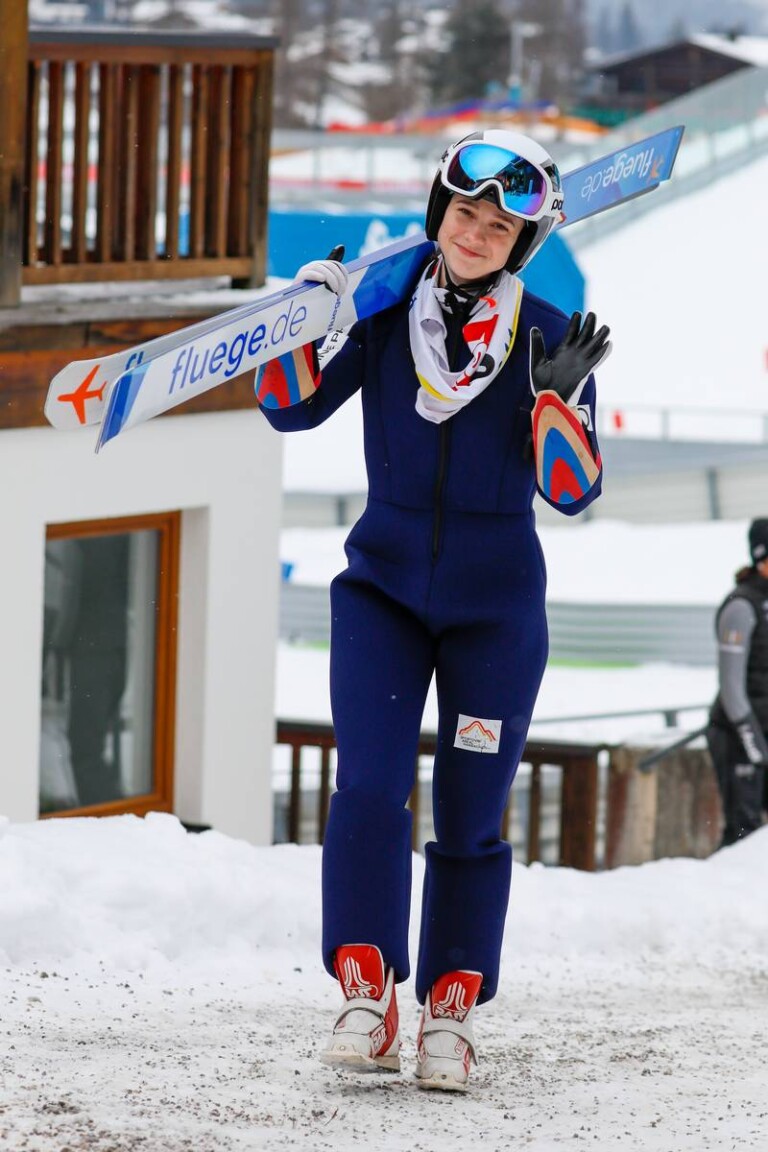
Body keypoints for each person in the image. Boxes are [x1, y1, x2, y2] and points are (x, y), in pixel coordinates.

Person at [257, 130, 611, 1090]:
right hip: (382, 593)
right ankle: (367, 992)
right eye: (465, 213)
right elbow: (287, 408)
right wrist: (309, 320)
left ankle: (449, 1010)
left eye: (500, 225)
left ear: (521, 242)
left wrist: (555, 402)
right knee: (369, 789)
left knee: (470, 813)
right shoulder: (379, 310)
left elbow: (574, 492)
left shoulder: (549, 332)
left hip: (495, 615)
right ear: (437, 212)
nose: (477, 234)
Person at [706, 519, 768, 847]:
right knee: (743, 834)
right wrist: (753, 742)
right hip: (736, 734)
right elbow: (731, 686)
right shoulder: (742, 605)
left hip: (762, 730)